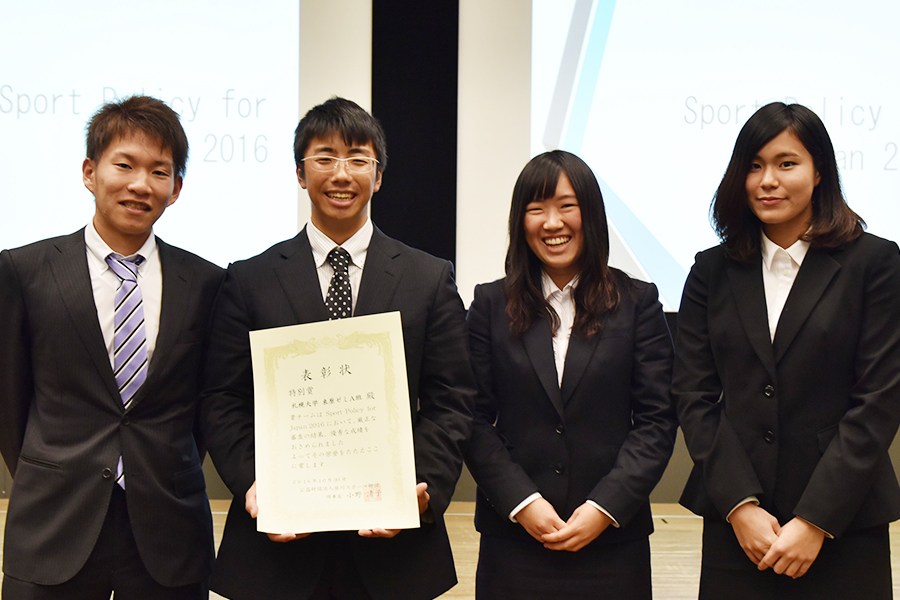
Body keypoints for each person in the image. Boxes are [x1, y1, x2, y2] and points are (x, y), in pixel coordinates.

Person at [201, 97, 476, 600]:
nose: (341, 173)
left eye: (357, 158)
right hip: (277, 549)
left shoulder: (428, 278)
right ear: (301, 174)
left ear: (378, 175)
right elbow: (222, 400)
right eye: (324, 158)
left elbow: (452, 399)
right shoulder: (250, 279)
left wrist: (417, 490)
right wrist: (255, 486)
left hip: (394, 552)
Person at [674, 102, 900, 599]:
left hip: (844, 522)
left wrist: (816, 520)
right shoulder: (711, 270)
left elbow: (878, 401)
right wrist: (740, 507)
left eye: (786, 163)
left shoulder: (875, 263)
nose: (767, 180)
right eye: (753, 166)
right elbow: (693, 394)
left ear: (820, 171)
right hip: (741, 530)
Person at [0, 95, 223, 599]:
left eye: (159, 171)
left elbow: (205, 406)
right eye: (124, 164)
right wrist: (52, 466)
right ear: (89, 171)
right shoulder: (25, 271)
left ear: (176, 189)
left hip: (168, 529)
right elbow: (10, 401)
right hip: (53, 523)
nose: (141, 184)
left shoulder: (206, 283)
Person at [464, 150, 678, 599]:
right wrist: (522, 503)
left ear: (592, 214)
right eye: (536, 208)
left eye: (566, 206)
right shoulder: (488, 305)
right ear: (520, 222)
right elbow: (472, 419)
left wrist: (604, 507)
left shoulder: (638, 302)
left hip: (612, 543)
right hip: (516, 542)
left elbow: (657, 420)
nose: (552, 222)